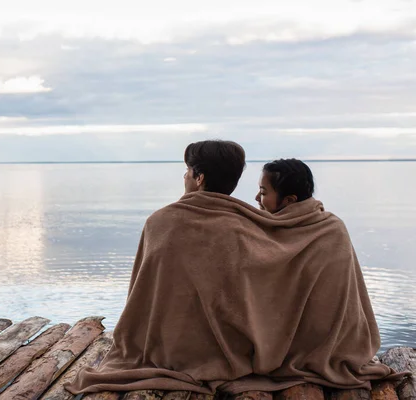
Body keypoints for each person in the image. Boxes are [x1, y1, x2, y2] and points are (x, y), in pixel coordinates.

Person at [66, 140, 396, 395]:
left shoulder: (163, 222)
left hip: (172, 348)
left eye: (186, 170)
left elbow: (143, 298)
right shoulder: (252, 225)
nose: (184, 176)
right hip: (255, 348)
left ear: (199, 177)